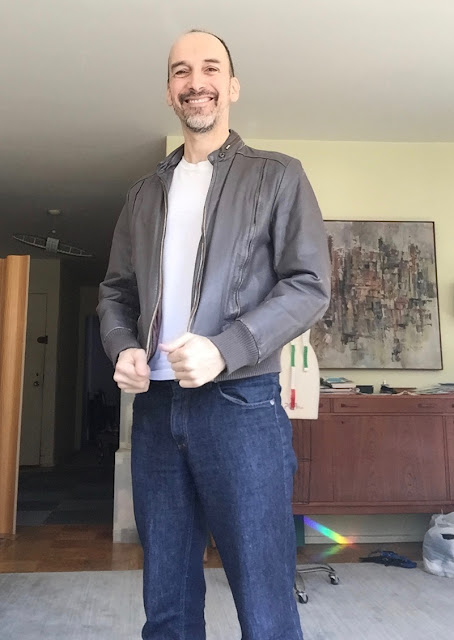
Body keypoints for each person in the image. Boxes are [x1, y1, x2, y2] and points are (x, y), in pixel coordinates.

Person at [98, 29, 330, 640]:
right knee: (167, 605)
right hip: (155, 412)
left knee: (265, 605)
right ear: (169, 91)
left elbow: (309, 284)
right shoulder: (142, 195)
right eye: (181, 71)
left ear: (232, 86)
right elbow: (116, 292)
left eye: (209, 68)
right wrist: (122, 346)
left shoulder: (278, 176)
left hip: (242, 406)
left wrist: (225, 349)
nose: (195, 82)